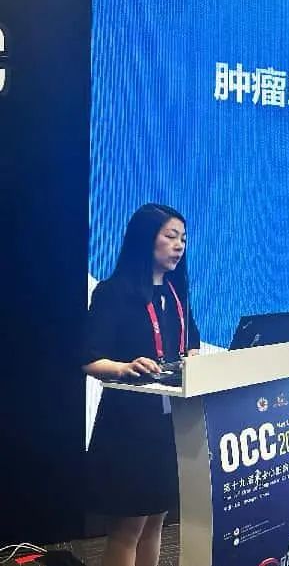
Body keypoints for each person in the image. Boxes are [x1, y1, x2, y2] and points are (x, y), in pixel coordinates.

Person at [82, 204, 200, 566]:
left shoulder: (176, 294)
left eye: (183, 239)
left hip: (170, 424)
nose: (179, 246)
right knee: (128, 530)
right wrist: (124, 368)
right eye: (170, 236)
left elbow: (190, 344)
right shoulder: (113, 292)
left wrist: (194, 358)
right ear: (145, 238)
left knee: (155, 523)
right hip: (129, 426)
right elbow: (88, 358)